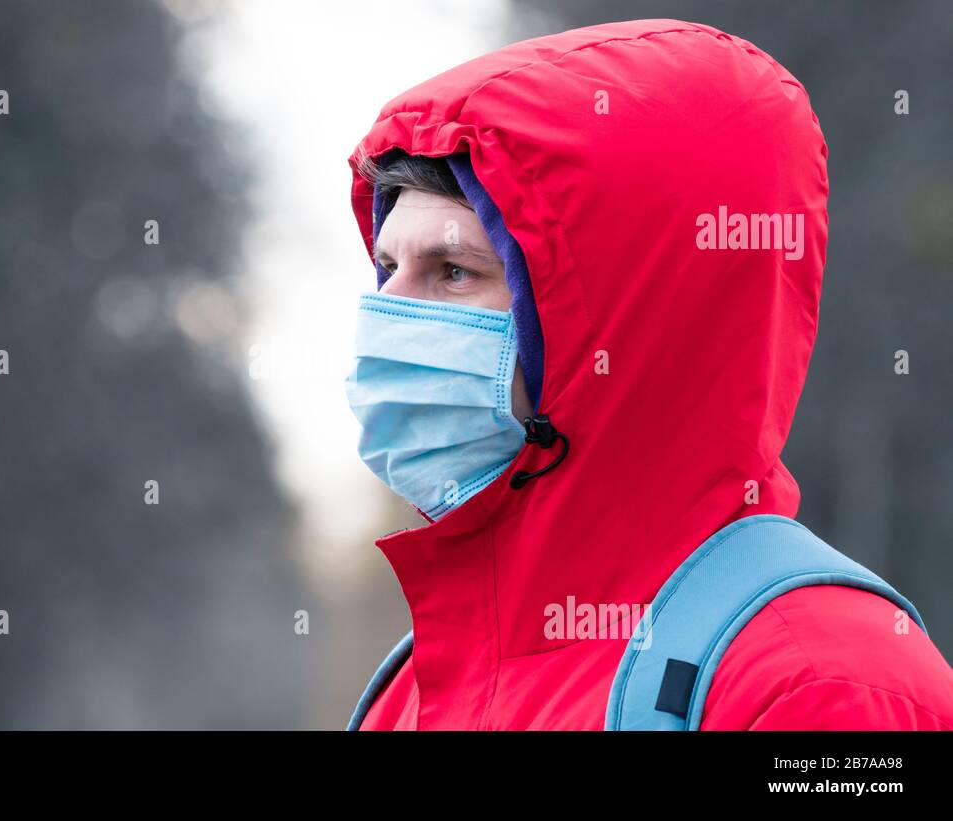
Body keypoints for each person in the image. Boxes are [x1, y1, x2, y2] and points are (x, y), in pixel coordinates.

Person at [341, 19, 953, 730]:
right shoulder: (412, 691)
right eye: (389, 269)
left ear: (609, 317)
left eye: (452, 271)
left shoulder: (825, 689)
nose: (389, 317)